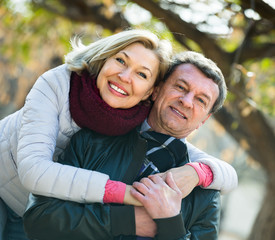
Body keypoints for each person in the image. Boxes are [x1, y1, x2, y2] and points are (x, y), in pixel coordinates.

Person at [23, 51, 236, 240]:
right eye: (181, 87)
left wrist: (170, 223)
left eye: (201, 100)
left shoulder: (206, 195)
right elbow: (39, 219)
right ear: (156, 90)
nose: (187, 101)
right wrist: (124, 221)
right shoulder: (92, 140)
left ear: (204, 120)